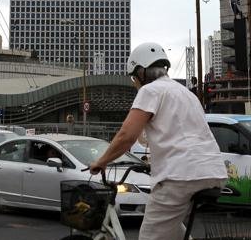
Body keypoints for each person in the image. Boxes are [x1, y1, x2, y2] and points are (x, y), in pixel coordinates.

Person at [87, 42, 228, 240]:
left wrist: (100, 162)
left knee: (149, 237)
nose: (135, 82)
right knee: (173, 231)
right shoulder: (187, 94)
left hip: (180, 176)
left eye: (134, 77)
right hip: (212, 171)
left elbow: (126, 136)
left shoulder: (150, 91)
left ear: (141, 72)